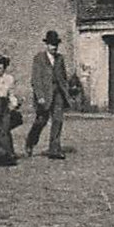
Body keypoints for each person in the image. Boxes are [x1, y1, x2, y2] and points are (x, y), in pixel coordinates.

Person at [26, 30, 76, 159]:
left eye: (55, 45)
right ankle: (30, 141)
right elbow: (36, 79)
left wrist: (67, 93)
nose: (54, 47)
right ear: (47, 45)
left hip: (58, 93)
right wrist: (40, 96)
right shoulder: (39, 58)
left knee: (58, 120)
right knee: (41, 121)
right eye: (51, 45)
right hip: (45, 95)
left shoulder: (60, 59)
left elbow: (63, 77)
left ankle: (54, 149)